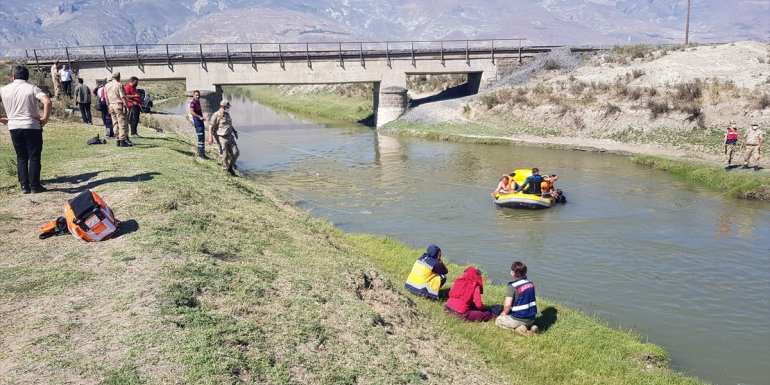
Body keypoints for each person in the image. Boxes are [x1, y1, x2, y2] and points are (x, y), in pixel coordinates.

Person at [0, 66, 53, 194]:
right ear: (27, 77)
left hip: (14, 126)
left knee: (21, 156)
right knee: (34, 156)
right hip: (31, 125)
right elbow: (47, 101)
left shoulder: (4, 89)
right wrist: (44, 118)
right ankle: (35, 185)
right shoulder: (32, 88)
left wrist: (1, 118)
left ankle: (24, 186)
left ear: (13, 77)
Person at [495, 261, 539, 336]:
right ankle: (531, 326)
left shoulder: (512, 287)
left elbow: (507, 306)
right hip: (532, 317)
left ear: (513, 272)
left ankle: (518, 329)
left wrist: (503, 314)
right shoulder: (531, 283)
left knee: (498, 321)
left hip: (519, 318)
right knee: (522, 320)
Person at [210, 99, 240, 176]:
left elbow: (229, 124)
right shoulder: (216, 115)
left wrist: (234, 131)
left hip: (230, 137)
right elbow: (211, 126)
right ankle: (225, 170)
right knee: (224, 155)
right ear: (223, 106)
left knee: (236, 152)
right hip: (222, 138)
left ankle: (230, 166)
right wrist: (211, 137)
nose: (227, 108)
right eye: (227, 107)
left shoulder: (227, 115)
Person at [104, 72, 132, 147]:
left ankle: (117, 139)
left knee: (115, 122)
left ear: (112, 77)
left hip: (111, 105)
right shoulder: (119, 85)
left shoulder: (106, 85)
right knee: (122, 122)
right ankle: (122, 140)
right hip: (118, 105)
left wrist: (108, 105)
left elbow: (106, 97)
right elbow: (122, 96)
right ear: (119, 77)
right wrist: (126, 106)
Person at [189, 90, 209, 159]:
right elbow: (191, 112)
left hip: (201, 123)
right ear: (193, 95)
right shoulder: (193, 103)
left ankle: (201, 153)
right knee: (200, 138)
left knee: (202, 138)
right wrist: (199, 117)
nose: (197, 96)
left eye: (198, 95)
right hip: (198, 123)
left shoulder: (198, 102)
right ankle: (200, 155)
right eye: (196, 95)